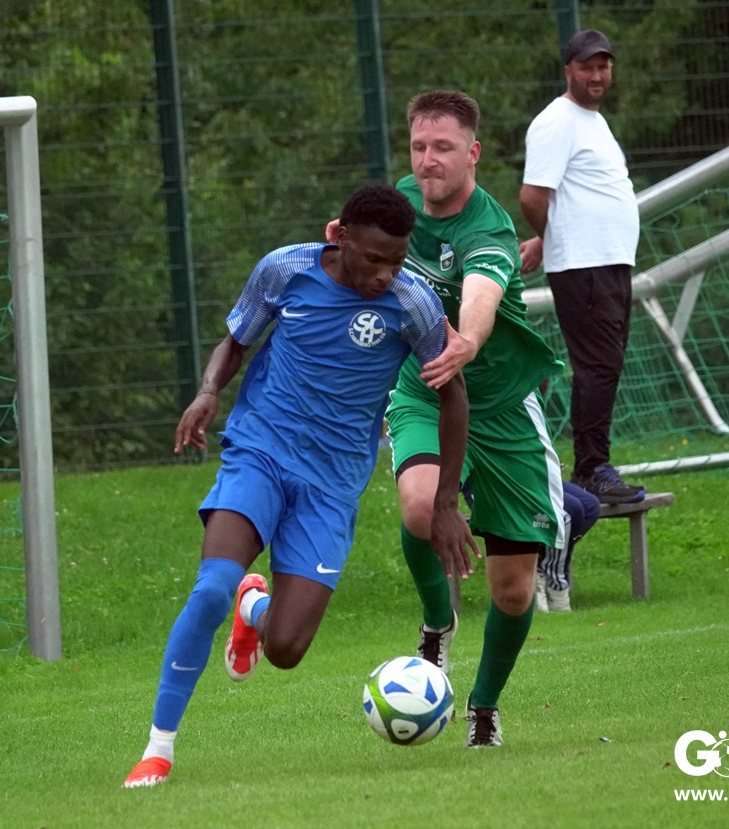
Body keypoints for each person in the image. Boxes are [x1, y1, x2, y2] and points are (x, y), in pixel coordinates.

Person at [122, 183, 476, 788]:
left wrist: (445, 501)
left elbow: (453, 395)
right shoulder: (285, 270)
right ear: (341, 236)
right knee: (211, 587)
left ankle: (254, 608)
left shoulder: (412, 304)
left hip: (332, 486)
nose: (385, 274)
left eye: (396, 261)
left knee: (285, 648)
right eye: (374, 259)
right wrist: (207, 392)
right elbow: (236, 341)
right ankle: (158, 749)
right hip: (260, 450)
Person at [330, 90, 567, 748]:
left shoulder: (487, 229)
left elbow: (482, 292)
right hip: (424, 388)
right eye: (418, 146)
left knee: (513, 590)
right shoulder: (400, 206)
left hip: (502, 408)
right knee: (418, 507)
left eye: (443, 148)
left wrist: (467, 338)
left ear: (473, 153)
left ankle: (483, 708)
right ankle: (438, 625)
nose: (428, 160)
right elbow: (351, 250)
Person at [518, 28, 645, 505]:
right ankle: (592, 469)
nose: (596, 75)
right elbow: (532, 197)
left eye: (603, 66)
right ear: (568, 70)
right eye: (587, 66)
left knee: (605, 364)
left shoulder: (592, 120)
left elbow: (573, 196)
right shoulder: (556, 121)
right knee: (598, 365)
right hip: (584, 266)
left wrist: (542, 239)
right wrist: (554, 240)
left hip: (607, 262)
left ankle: (592, 467)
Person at [534, 480, 601, 613]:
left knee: (590, 506)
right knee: (569, 510)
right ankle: (554, 583)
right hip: (516, 477)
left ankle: (543, 570)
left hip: (541, 475)